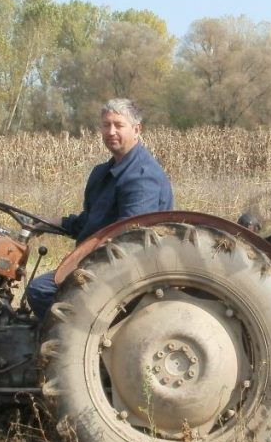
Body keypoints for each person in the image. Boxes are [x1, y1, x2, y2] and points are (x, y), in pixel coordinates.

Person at [27, 98, 174, 319]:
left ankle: (71, 347)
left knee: (42, 290)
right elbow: (89, 222)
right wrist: (48, 222)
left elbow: (130, 239)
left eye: (118, 125)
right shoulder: (103, 173)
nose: (111, 131)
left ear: (136, 130)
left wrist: (75, 264)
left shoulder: (142, 177)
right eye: (106, 125)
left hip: (122, 270)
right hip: (99, 262)